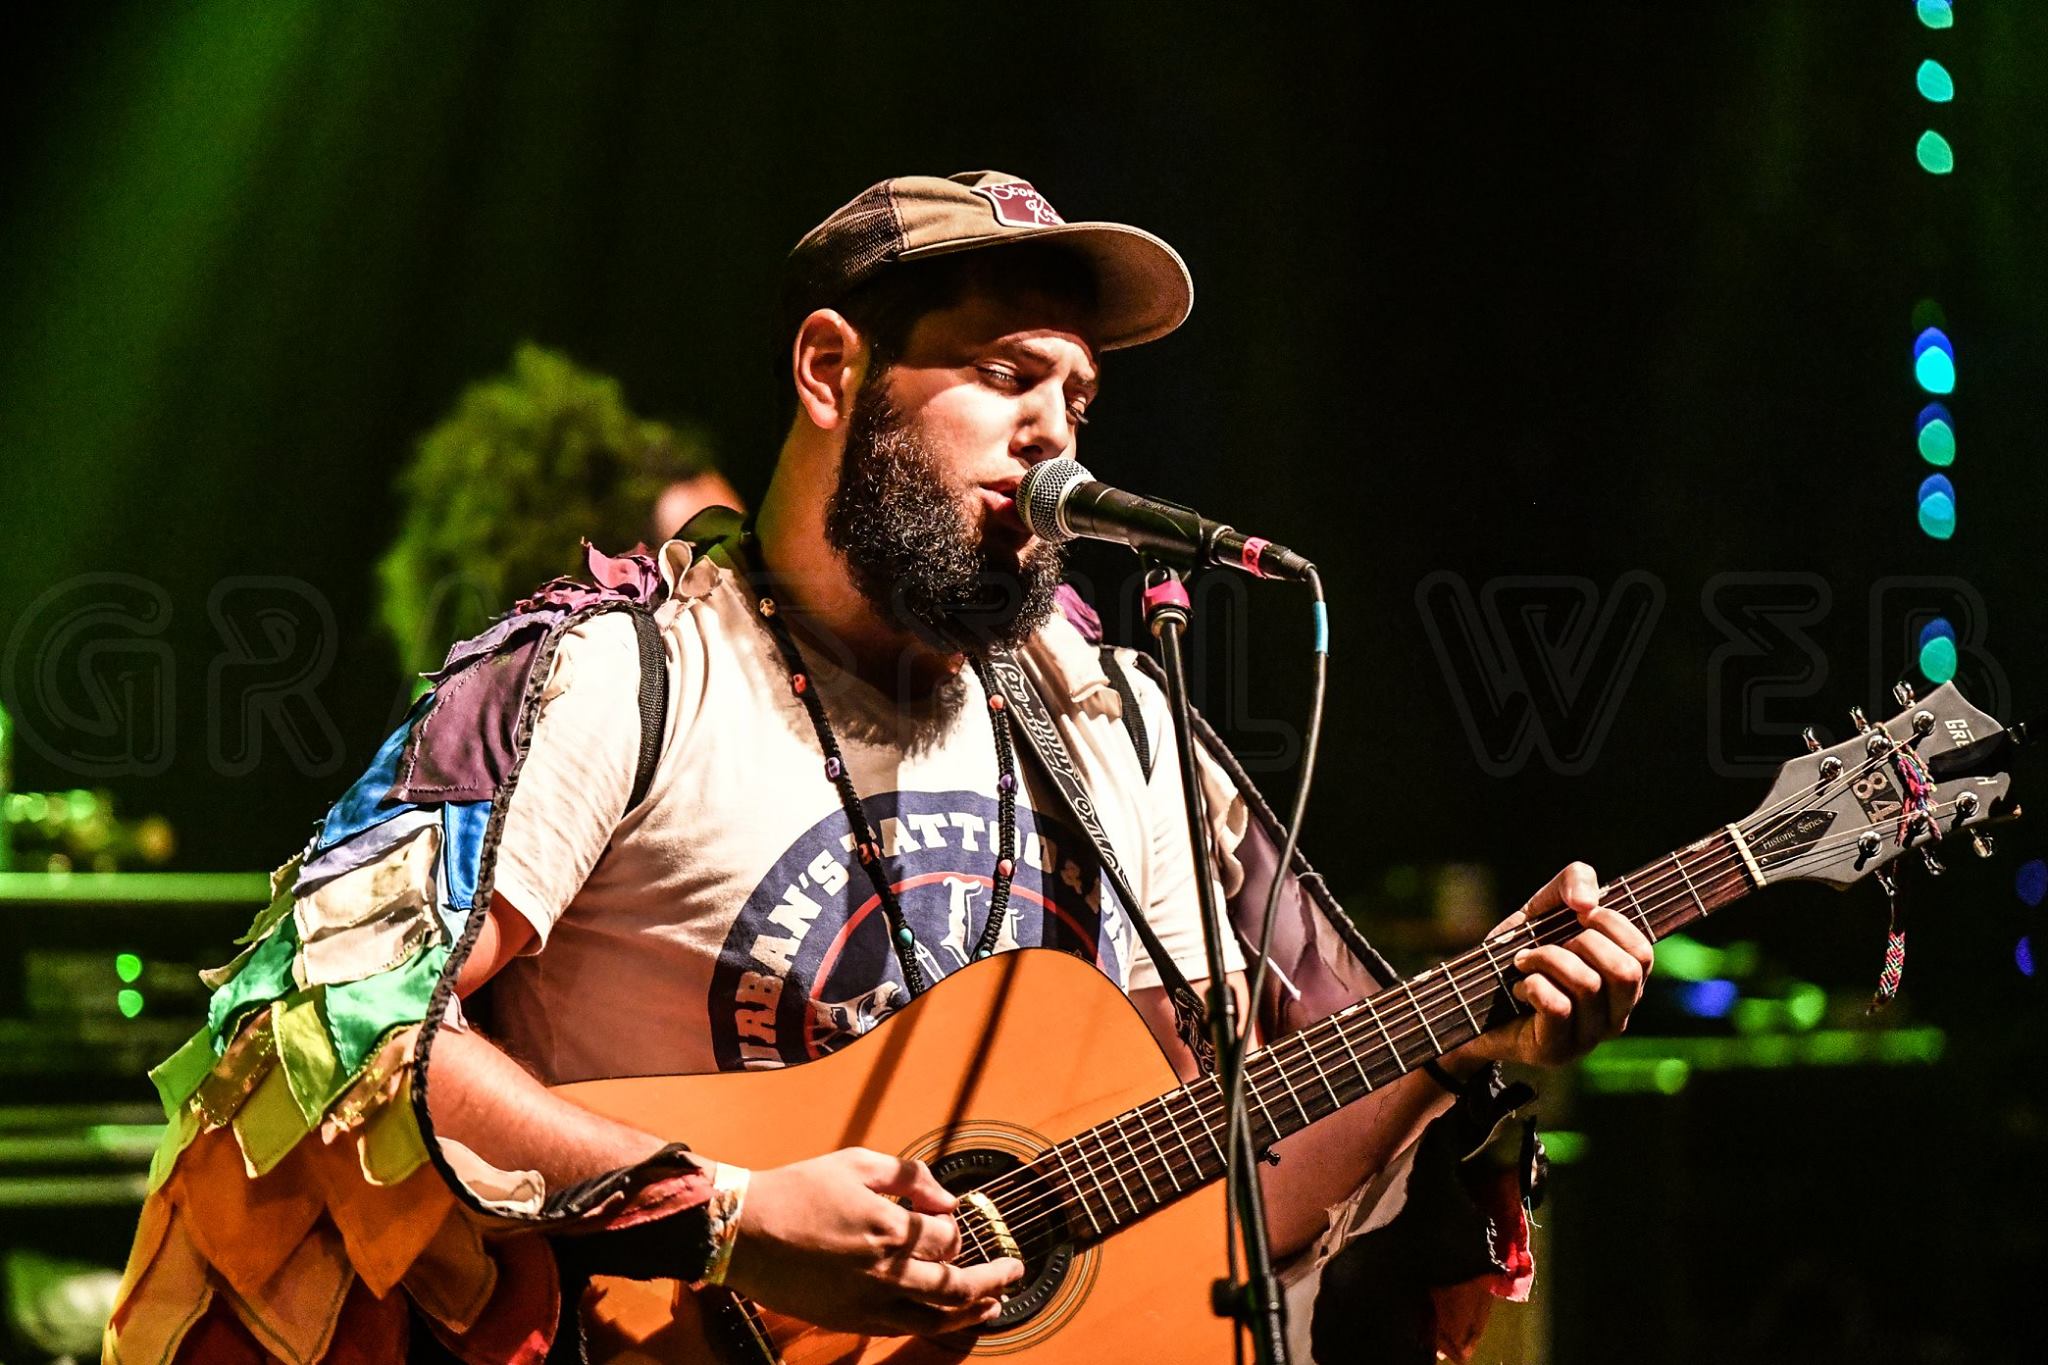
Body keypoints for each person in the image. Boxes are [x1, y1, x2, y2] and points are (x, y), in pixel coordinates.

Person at [105, 171, 1652, 1363]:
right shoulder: (617, 675)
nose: (1058, 444)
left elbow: (1233, 1200)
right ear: (832, 368)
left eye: (1081, 398)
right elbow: (334, 1035)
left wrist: (1460, 1039)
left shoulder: (1111, 725)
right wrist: (726, 1211)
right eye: (1003, 375)